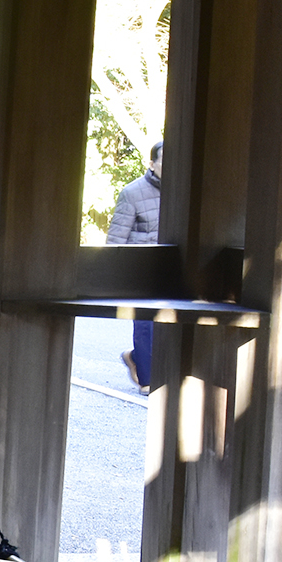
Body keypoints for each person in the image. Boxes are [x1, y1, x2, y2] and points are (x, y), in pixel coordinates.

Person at [107, 140, 162, 393]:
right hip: (140, 269)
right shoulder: (132, 192)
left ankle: (134, 357)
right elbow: (117, 238)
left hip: (172, 267)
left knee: (168, 325)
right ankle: (147, 378)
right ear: (151, 164)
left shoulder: (186, 192)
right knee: (146, 323)